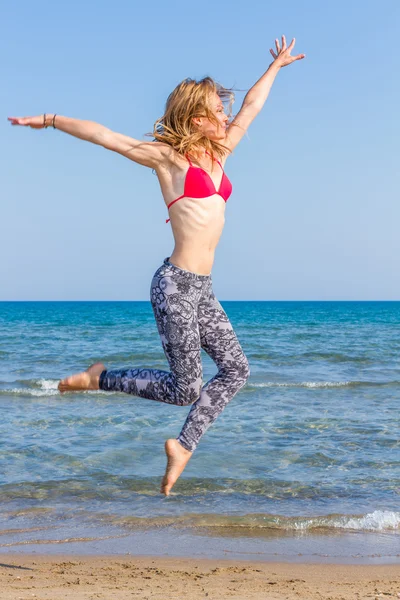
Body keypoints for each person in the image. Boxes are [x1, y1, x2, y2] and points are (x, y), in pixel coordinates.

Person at [8, 36, 305, 496]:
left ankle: (182, 446)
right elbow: (106, 136)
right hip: (174, 286)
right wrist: (50, 120)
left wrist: (277, 68)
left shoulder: (221, 152)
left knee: (236, 369)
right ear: (196, 119)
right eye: (216, 110)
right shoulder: (168, 160)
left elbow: (251, 107)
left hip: (202, 288)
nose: (226, 116)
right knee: (185, 389)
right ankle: (97, 379)